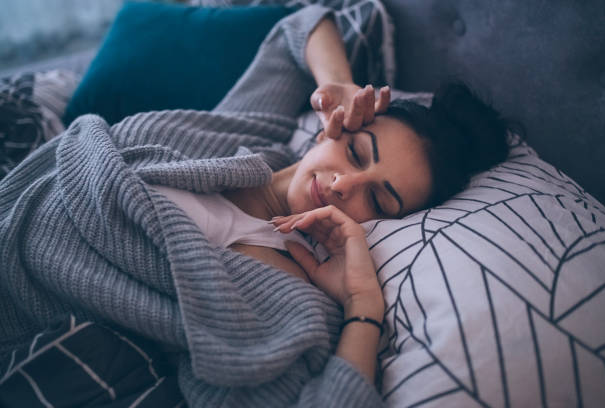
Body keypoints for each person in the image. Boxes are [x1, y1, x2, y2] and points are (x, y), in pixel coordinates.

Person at [0, 4, 509, 407]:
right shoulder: (256, 134)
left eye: (377, 198)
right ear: (340, 126)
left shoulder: (293, 294)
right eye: (355, 152)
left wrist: (363, 308)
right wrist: (339, 83)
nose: (341, 185)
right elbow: (303, 24)